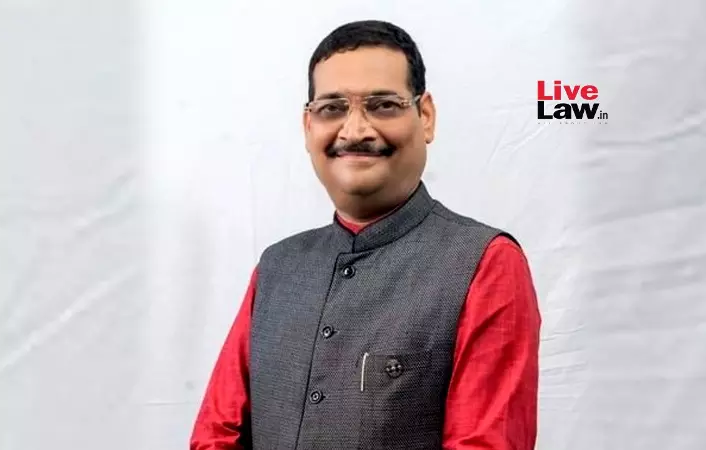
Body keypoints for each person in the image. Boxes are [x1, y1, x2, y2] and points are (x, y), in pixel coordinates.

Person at [190, 19, 541, 450]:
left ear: (425, 117)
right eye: (332, 108)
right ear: (308, 127)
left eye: (383, 105)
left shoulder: (485, 263)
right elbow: (216, 434)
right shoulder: (277, 267)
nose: (355, 131)